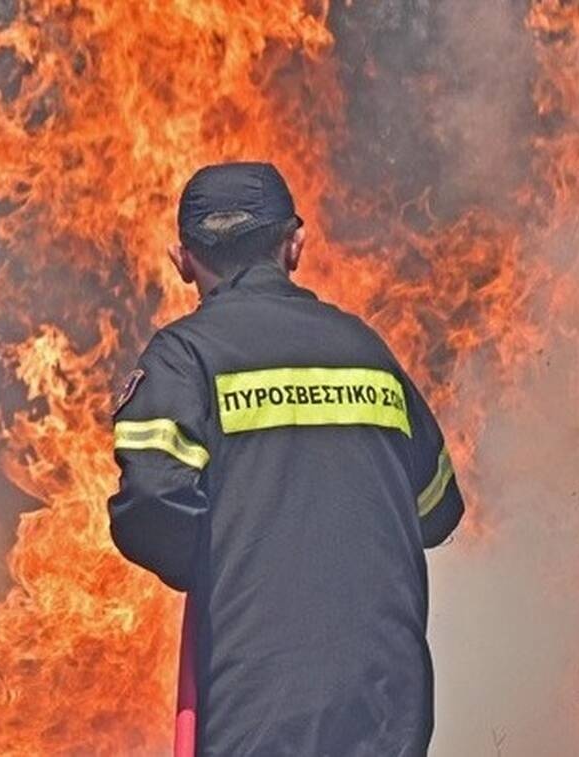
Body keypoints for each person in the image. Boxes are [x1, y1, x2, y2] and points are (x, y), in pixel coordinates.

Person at [107, 162, 464, 756]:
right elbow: (437, 508)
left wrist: (225, 561)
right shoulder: (366, 352)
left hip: (259, 704)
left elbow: (152, 501)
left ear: (183, 260)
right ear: (295, 244)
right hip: (388, 707)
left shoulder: (184, 358)